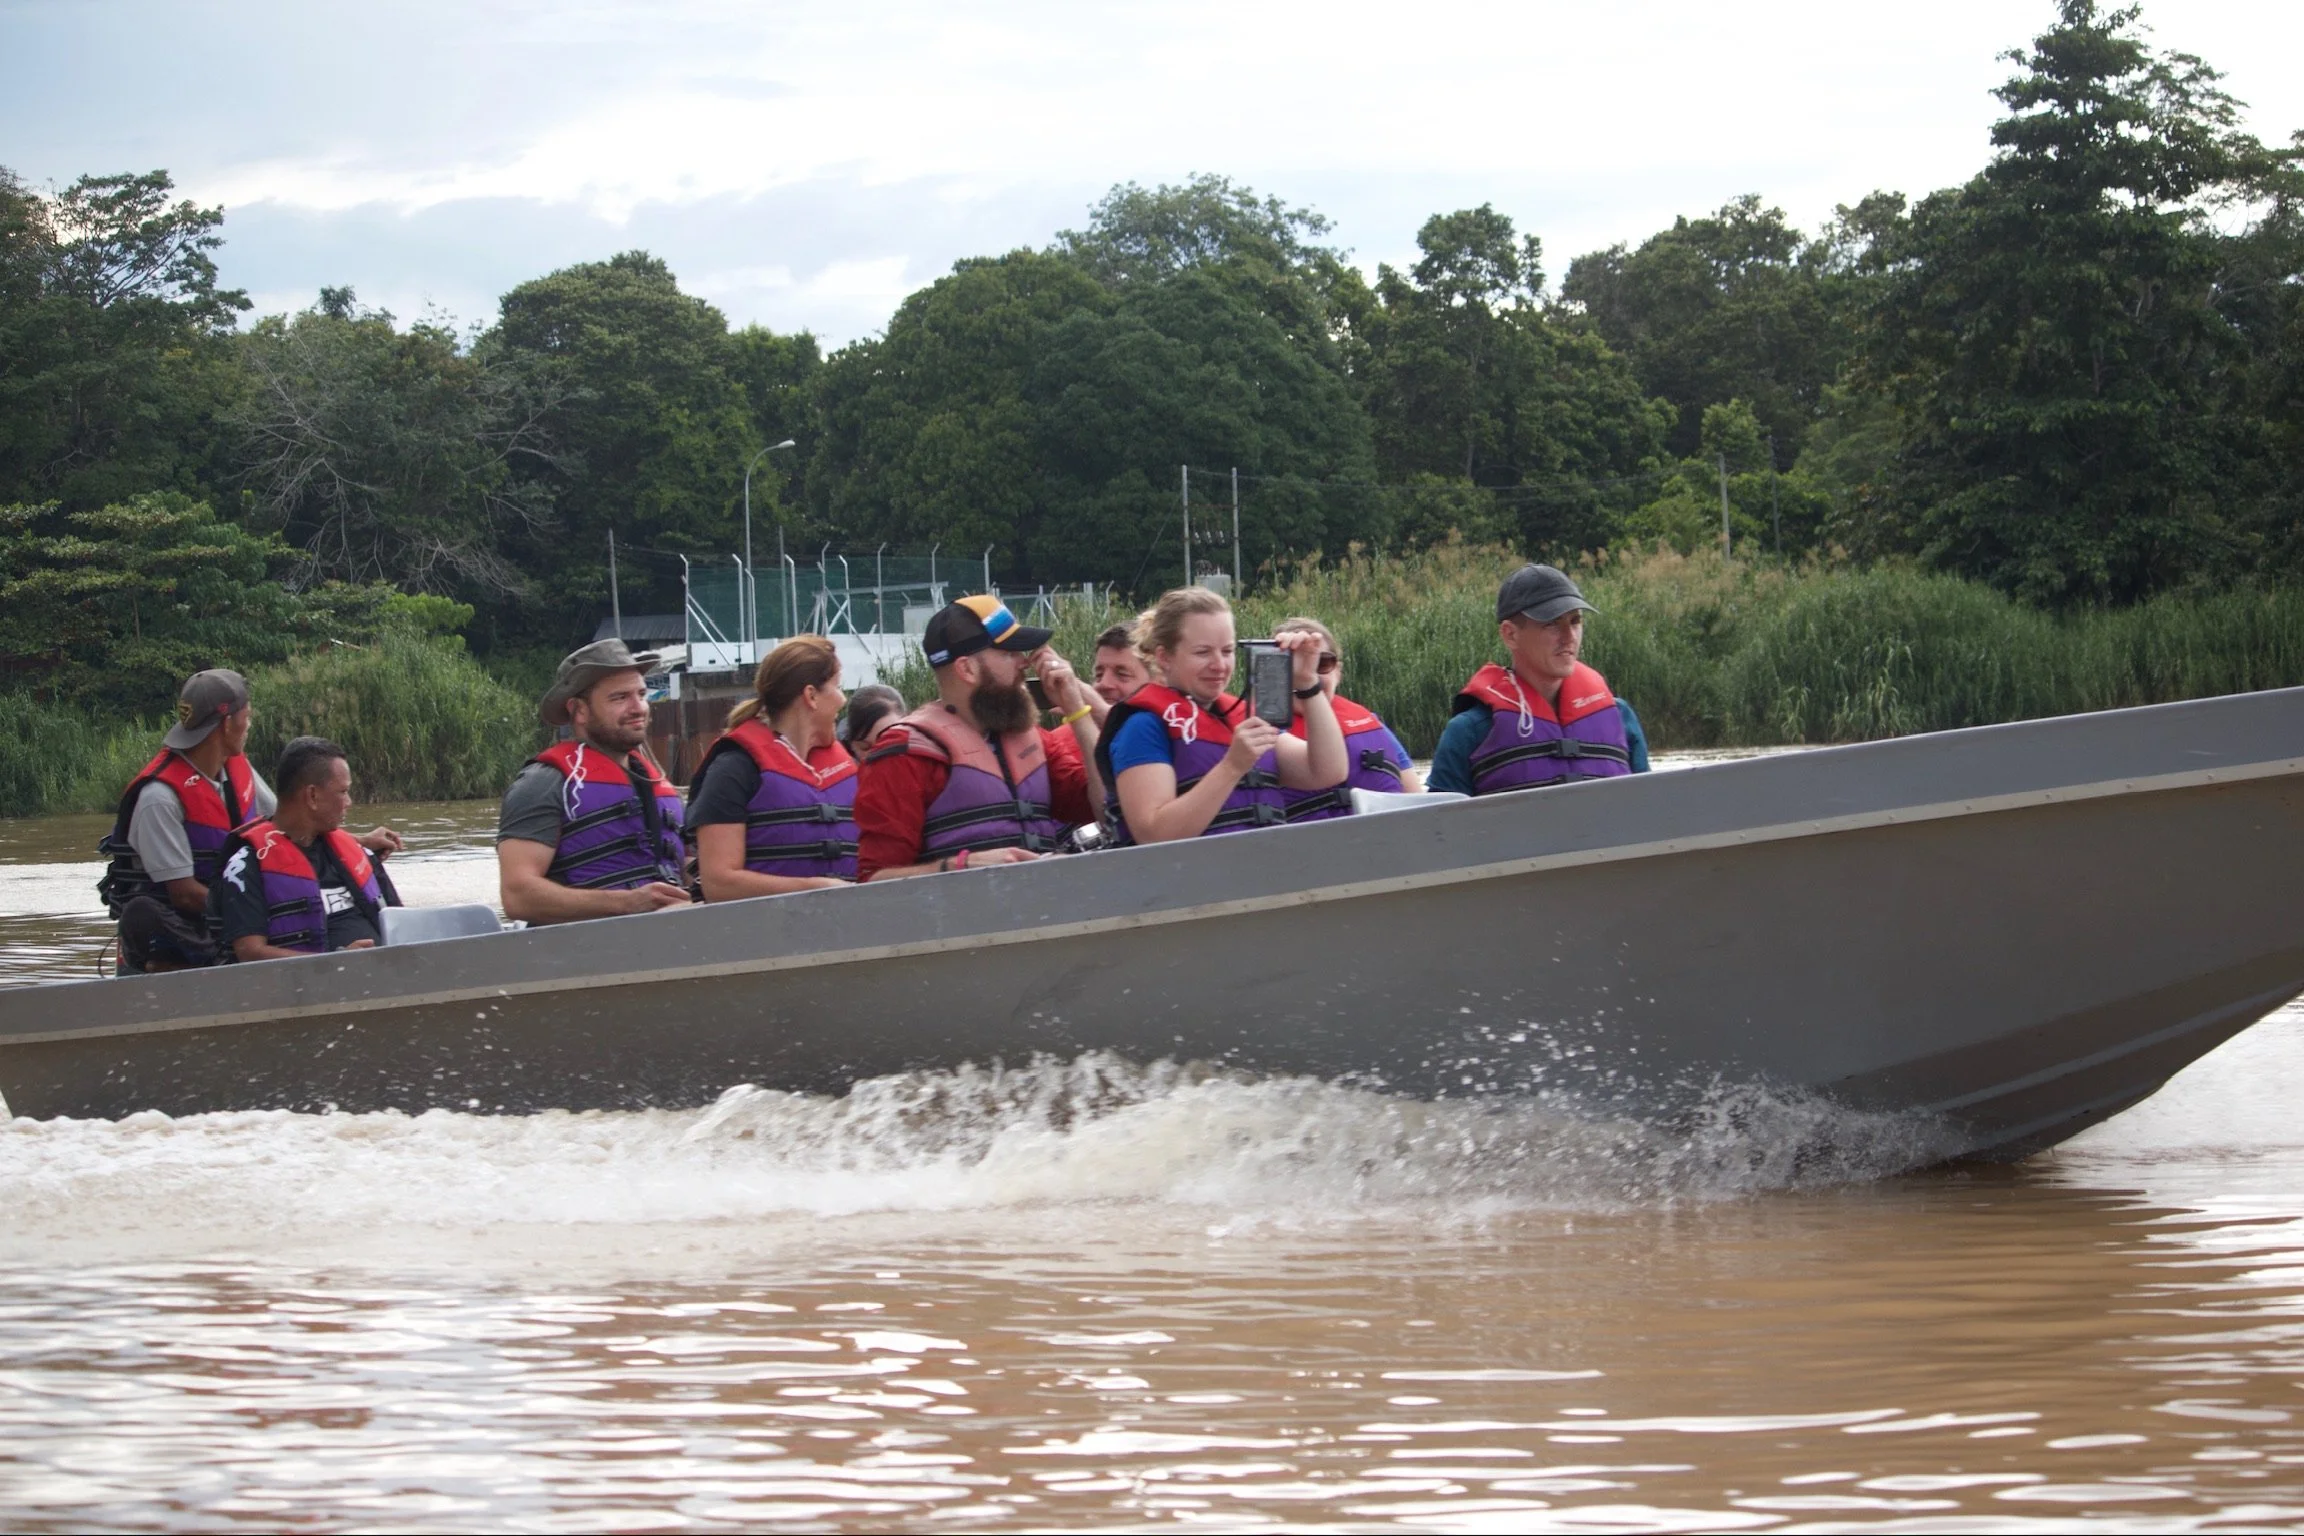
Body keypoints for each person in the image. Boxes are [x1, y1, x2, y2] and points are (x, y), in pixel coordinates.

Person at [97, 669, 401, 973]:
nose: (250, 725)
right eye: (248, 716)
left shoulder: (236, 769)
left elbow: (285, 823)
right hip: (182, 932)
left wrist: (356, 843)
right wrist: (255, 911)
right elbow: (184, 894)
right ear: (228, 723)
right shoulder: (158, 798)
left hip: (234, 910)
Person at [854, 595, 1102, 880]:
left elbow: (1109, 810)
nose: (1024, 662)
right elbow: (873, 881)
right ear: (967, 669)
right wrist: (959, 866)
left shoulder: (1035, 740)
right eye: (1009, 653)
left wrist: (1078, 711)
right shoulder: (904, 754)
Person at [1095, 586, 1345, 846]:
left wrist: (1307, 682)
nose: (1219, 665)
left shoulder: (1241, 716)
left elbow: (1328, 771)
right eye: (1202, 652)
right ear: (1164, 657)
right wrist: (1232, 766)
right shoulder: (1142, 726)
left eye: (1227, 651)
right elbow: (1153, 834)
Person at [497, 639, 691, 924]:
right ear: (579, 710)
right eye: (620, 698)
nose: (639, 707)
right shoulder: (542, 784)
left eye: (641, 693)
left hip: (672, 935)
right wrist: (628, 902)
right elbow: (518, 896)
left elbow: (685, 865)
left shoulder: (659, 784)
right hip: (584, 949)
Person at [1428, 563, 1651, 797]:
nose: (1569, 637)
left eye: (1575, 621)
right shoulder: (1468, 732)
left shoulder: (1621, 717)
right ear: (1510, 634)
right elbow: (1437, 829)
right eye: (1552, 623)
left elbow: (1651, 813)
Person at [687, 635, 857, 899]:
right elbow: (718, 883)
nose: (843, 699)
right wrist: (815, 890)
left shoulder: (847, 766)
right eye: (837, 686)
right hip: (764, 933)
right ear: (811, 695)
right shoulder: (734, 768)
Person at [210, 737, 404, 962]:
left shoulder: (360, 854)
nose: (349, 802)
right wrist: (337, 961)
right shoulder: (246, 866)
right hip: (307, 989)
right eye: (343, 792)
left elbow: (403, 923)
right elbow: (249, 953)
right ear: (312, 796)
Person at [1269, 616, 1425, 822]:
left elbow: (1418, 802)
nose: (1307, 675)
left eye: (1322, 663)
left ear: (1338, 673)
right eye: (1292, 666)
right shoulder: (1262, 731)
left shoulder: (1371, 723)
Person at [1085, 620, 1151, 726]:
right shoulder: (1059, 740)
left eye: (1122, 674)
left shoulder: (1178, 737)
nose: (1103, 684)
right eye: (1099, 675)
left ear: (1158, 681)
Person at [838, 683, 906, 763]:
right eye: (865, 748)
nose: (877, 755)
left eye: (888, 745)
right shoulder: (837, 768)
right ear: (850, 744)